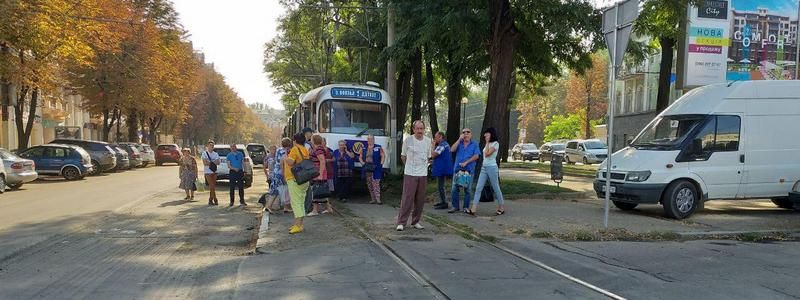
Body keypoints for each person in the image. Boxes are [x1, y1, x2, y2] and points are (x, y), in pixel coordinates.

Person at [396, 120, 432, 231]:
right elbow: (403, 156)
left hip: (423, 174)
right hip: (410, 173)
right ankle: (401, 222)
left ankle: (415, 221)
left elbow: (428, 157)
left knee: (420, 199)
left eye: (422, 129)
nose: (420, 131)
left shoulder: (427, 141)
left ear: (424, 129)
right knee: (407, 198)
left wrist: (424, 167)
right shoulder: (408, 140)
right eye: (418, 128)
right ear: (413, 129)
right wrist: (409, 167)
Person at [470, 127, 505, 216]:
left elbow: (487, 154)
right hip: (484, 167)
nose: (485, 135)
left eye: (487, 134)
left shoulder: (495, 144)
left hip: (492, 168)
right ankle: (473, 208)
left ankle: (501, 207)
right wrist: (487, 143)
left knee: (495, 187)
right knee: (478, 188)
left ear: (491, 134)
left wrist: (487, 142)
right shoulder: (488, 144)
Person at [449, 128, 481, 213]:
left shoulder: (474, 143)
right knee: (454, 189)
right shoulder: (459, 143)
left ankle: (465, 207)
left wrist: (466, 162)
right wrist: (459, 139)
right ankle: (455, 206)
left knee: (468, 189)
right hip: (458, 169)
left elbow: (476, 156)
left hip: (469, 170)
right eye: (464, 132)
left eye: (468, 132)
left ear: (471, 134)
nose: (466, 134)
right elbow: (452, 149)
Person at [285, 133, 311, 234]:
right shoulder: (304, 149)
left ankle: (298, 225)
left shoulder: (295, 149)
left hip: (295, 179)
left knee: (296, 203)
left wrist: (286, 157)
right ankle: (298, 223)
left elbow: (291, 162)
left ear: (295, 140)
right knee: (300, 202)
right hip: (304, 179)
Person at [307, 134, 333, 216]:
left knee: (316, 191)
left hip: (318, 173)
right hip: (317, 172)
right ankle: (328, 208)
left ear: (313, 140)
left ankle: (315, 210)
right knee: (322, 191)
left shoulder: (318, 150)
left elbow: (322, 161)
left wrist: (320, 174)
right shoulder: (318, 149)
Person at [359, 134, 385, 205]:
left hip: (376, 167)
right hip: (367, 167)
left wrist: (381, 164)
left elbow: (383, 155)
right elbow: (360, 157)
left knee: (376, 183)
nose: (370, 140)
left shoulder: (378, 147)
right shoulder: (364, 148)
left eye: (371, 139)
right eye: (368, 139)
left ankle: (378, 199)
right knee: (369, 184)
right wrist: (363, 163)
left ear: (374, 140)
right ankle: (373, 199)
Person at [430, 132, 453, 210]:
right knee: (441, 186)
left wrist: (432, 146)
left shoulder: (442, 145)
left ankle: (444, 202)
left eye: (436, 137)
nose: (434, 139)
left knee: (440, 186)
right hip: (444, 168)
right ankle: (443, 201)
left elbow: (433, 155)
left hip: (442, 169)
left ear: (440, 137)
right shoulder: (445, 144)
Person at [201, 140, 221, 206]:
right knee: (211, 185)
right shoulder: (204, 153)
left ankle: (210, 200)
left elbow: (218, 162)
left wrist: (210, 162)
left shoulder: (216, 154)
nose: (211, 147)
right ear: (207, 146)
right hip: (207, 172)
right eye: (210, 146)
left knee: (212, 186)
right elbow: (204, 163)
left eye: (212, 146)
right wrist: (213, 162)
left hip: (214, 171)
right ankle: (215, 199)